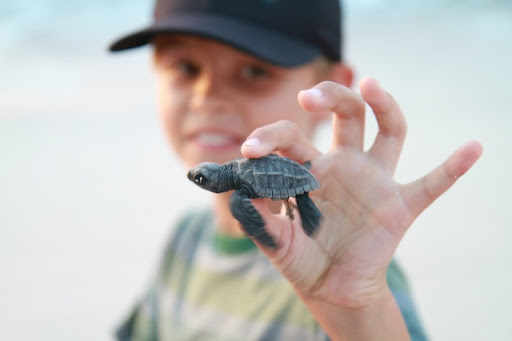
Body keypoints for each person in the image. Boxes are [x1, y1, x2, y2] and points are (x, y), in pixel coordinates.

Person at [108, 0, 483, 340]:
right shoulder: (184, 238)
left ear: (327, 90)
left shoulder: (348, 266)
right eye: (187, 68)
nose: (208, 96)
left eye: (254, 71)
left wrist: (357, 314)